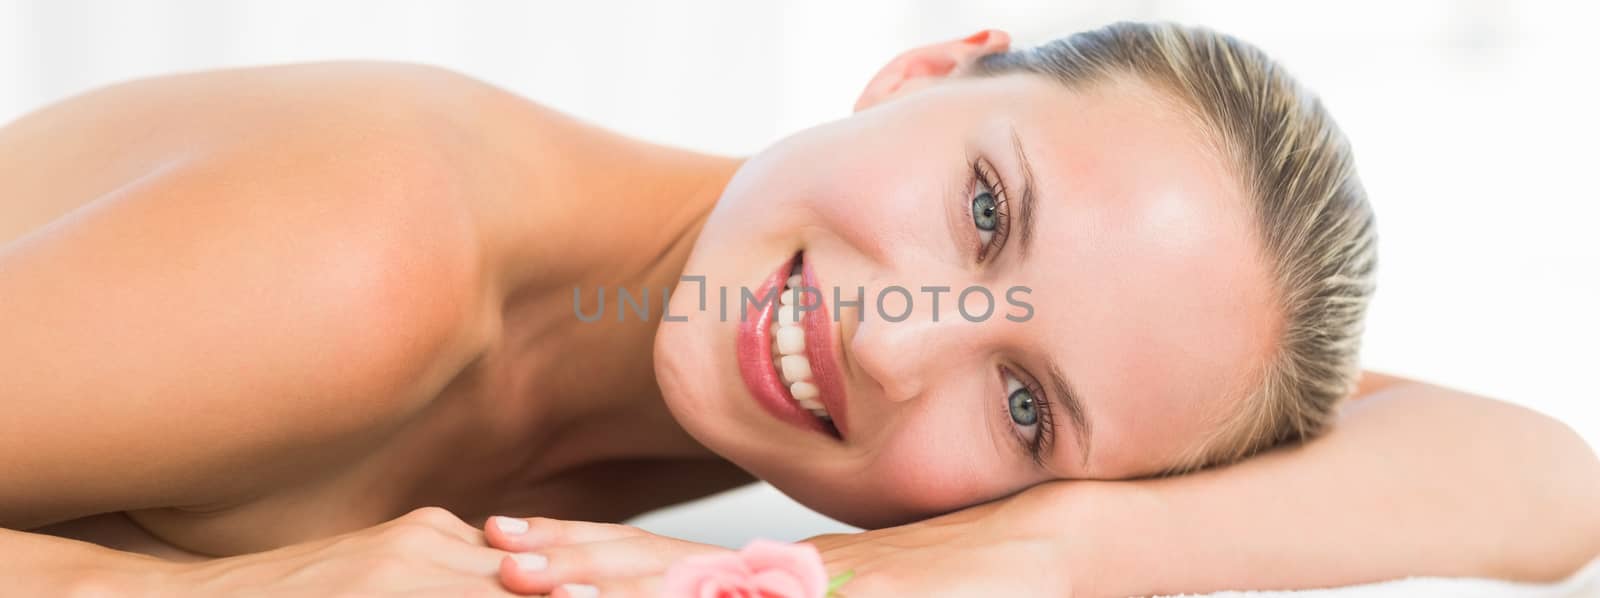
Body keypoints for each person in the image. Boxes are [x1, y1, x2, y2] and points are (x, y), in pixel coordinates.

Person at [1, 21, 1595, 597]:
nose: (895, 340)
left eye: (1026, 403)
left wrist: (1043, 558)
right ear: (924, 72)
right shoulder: (383, 257)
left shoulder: (925, 489)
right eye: (983, 211)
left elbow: (1546, 479)